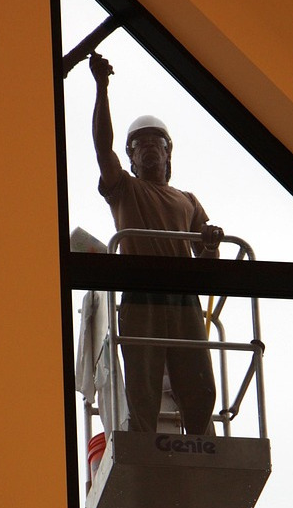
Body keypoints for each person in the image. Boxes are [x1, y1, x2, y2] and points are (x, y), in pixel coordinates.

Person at [89, 52, 222, 435]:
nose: (148, 147)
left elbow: (207, 258)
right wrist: (101, 87)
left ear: (168, 153)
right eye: (139, 144)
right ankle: (145, 439)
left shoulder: (188, 200)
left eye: (156, 142)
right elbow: (102, 149)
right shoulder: (125, 190)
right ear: (130, 158)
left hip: (183, 300)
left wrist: (210, 240)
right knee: (143, 383)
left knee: (198, 384)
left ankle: (202, 441)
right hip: (141, 296)